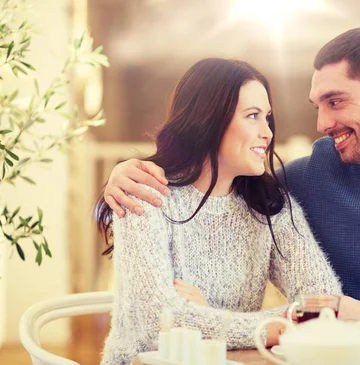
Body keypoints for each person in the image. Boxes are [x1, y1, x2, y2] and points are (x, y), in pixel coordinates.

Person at [102, 28, 360, 348]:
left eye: (336, 101)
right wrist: (122, 175)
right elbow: (157, 311)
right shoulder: (295, 183)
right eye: (318, 106)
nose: (322, 125)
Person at [96, 58, 342, 365]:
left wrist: (204, 315)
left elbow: (324, 304)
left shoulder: (272, 206)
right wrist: (276, 326)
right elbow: (154, 327)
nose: (267, 132)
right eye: (252, 116)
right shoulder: (145, 193)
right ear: (208, 119)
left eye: (267, 118)